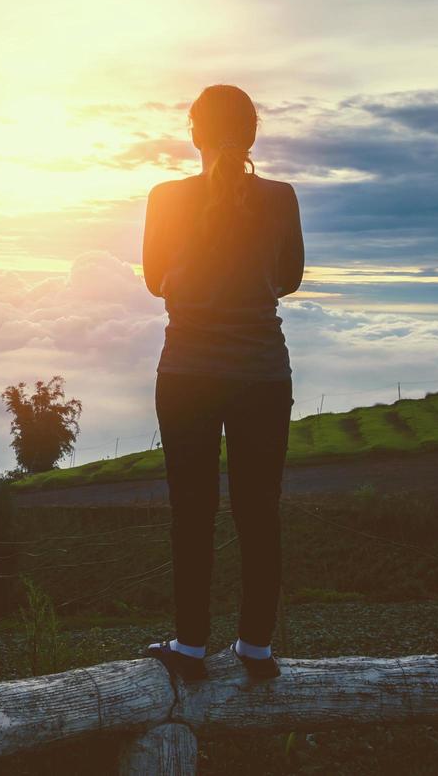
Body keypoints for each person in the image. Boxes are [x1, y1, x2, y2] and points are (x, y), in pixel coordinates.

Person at [139, 83, 303, 682]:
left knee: (192, 512)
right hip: (263, 372)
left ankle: (190, 649)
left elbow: (155, 280)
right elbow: (290, 277)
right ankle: (256, 651)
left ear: (193, 134)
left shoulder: (165, 197)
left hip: (186, 371)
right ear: (253, 134)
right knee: (260, 511)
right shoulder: (282, 198)